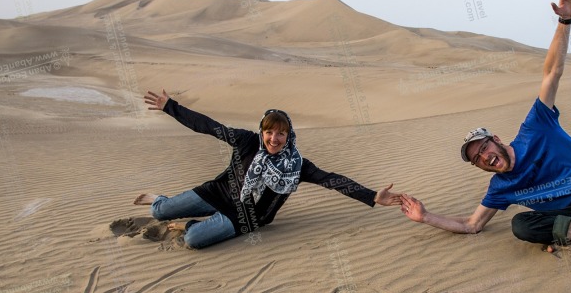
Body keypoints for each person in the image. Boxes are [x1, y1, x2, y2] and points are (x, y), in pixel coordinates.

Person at [399, 0, 571, 253]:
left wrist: (565, 21)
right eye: (476, 159)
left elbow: (552, 72)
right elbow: (472, 224)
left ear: (495, 139)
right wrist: (425, 216)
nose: (483, 157)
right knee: (521, 225)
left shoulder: (535, 127)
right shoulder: (501, 187)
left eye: (483, 147)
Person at [134, 89, 402, 249]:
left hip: (246, 215)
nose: (274, 139)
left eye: (281, 134)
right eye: (270, 132)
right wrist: (171, 107)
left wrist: (371, 195)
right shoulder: (246, 140)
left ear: (289, 135)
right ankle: (160, 199)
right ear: (262, 131)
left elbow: (331, 180)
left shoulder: (297, 166)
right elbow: (208, 126)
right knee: (160, 211)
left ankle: (191, 223)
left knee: (193, 239)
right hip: (218, 192)